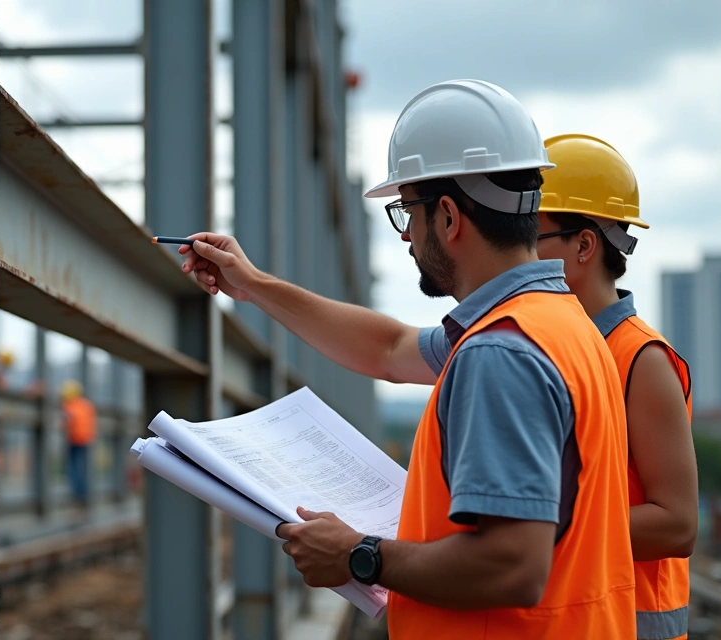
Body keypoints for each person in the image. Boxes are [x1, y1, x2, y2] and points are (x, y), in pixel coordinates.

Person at [179, 80, 635, 638]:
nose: (407, 237)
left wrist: (359, 555)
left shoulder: (500, 351)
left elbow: (513, 565)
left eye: (406, 213)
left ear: (448, 216)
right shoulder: (558, 322)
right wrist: (254, 285)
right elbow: (388, 348)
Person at [535, 134, 697, 640]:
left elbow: (677, 523)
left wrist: (531, 531)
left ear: (584, 245)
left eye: (530, 238)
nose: (516, 254)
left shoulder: (641, 359)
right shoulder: (551, 346)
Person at [60, 379, 96, 509]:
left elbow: (67, 421)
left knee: (74, 469)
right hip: (86, 439)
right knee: (83, 469)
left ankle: (78, 498)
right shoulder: (87, 405)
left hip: (74, 439)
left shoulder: (69, 406)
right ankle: (85, 497)